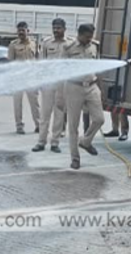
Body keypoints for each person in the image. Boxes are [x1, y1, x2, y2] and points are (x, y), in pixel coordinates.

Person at [63, 24, 105, 170]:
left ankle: (85, 142)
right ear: (79, 34)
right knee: (73, 126)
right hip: (74, 87)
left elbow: (98, 68)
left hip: (92, 86)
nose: (89, 39)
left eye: (91, 37)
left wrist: (101, 88)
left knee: (99, 119)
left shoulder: (95, 46)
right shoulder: (68, 48)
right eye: (87, 37)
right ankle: (75, 159)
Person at [32, 18, 73, 154]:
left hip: (63, 84)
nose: (56, 30)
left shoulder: (71, 44)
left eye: (59, 28)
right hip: (48, 83)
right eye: (54, 28)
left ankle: (55, 142)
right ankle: (41, 142)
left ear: (64, 29)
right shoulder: (46, 43)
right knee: (45, 114)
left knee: (59, 114)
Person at [7, 22, 41, 135]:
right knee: (17, 104)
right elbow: (10, 63)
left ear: (28, 31)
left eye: (23, 30)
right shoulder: (13, 45)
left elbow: (38, 60)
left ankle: (39, 125)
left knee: (35, 103)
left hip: (32, 78)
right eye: (19, 30)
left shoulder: (34, 44)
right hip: (18, 78)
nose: (21, 32)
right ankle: (19, 126)